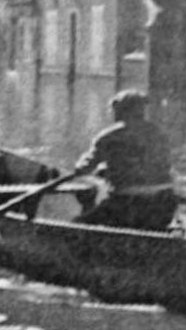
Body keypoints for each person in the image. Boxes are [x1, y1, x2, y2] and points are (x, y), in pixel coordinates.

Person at [73, 89, 177, 231]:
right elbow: (160, 165)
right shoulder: (159, 134)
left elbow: (83, 168)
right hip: (163, 204)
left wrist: (83, 167)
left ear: (119, 111)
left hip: (125, 206)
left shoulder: (108, 136)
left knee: (78, 224)